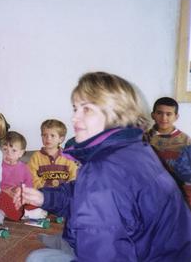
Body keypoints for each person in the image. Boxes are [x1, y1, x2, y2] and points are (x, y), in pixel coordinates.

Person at [14, 72, 191, 262]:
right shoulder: (134, 148)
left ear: (115, 114)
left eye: (87, 109)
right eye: (75, 108)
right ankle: (67, 243)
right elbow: (86, 194)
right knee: (73, 239)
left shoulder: (104, 169)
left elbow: (105, 255)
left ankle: (66, 244)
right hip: (170, 252)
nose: (74, 118)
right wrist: (45, 196)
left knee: (37, 258)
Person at [28, 119, 78, 190]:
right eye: (44, 135)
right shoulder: (36, 157)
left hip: (63, 194)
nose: (48, 138)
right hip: (43, 194)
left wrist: (65, 188)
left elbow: (74, 176)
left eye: (52, 135)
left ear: (61, 139)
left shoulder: (68, 157)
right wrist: (43, 187)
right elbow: (30, 176)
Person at [144, 97, 191, 169]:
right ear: (153, 115)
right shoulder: (143, 138)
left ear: (176, 117)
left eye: (168, 114)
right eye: (159, 113)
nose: (163, 118)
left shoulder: (186, 141)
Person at [0, 131, 33, 221]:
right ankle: (16, 213)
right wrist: (4, 190)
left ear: (21, 153)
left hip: (18, 196)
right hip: (1, 194)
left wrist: (20, 192)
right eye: (5, 149)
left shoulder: (24, 168)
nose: (9, 154)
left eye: (14, 151)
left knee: (36, 199)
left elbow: (29, 186)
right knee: (0, 197)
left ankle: (24, 211)